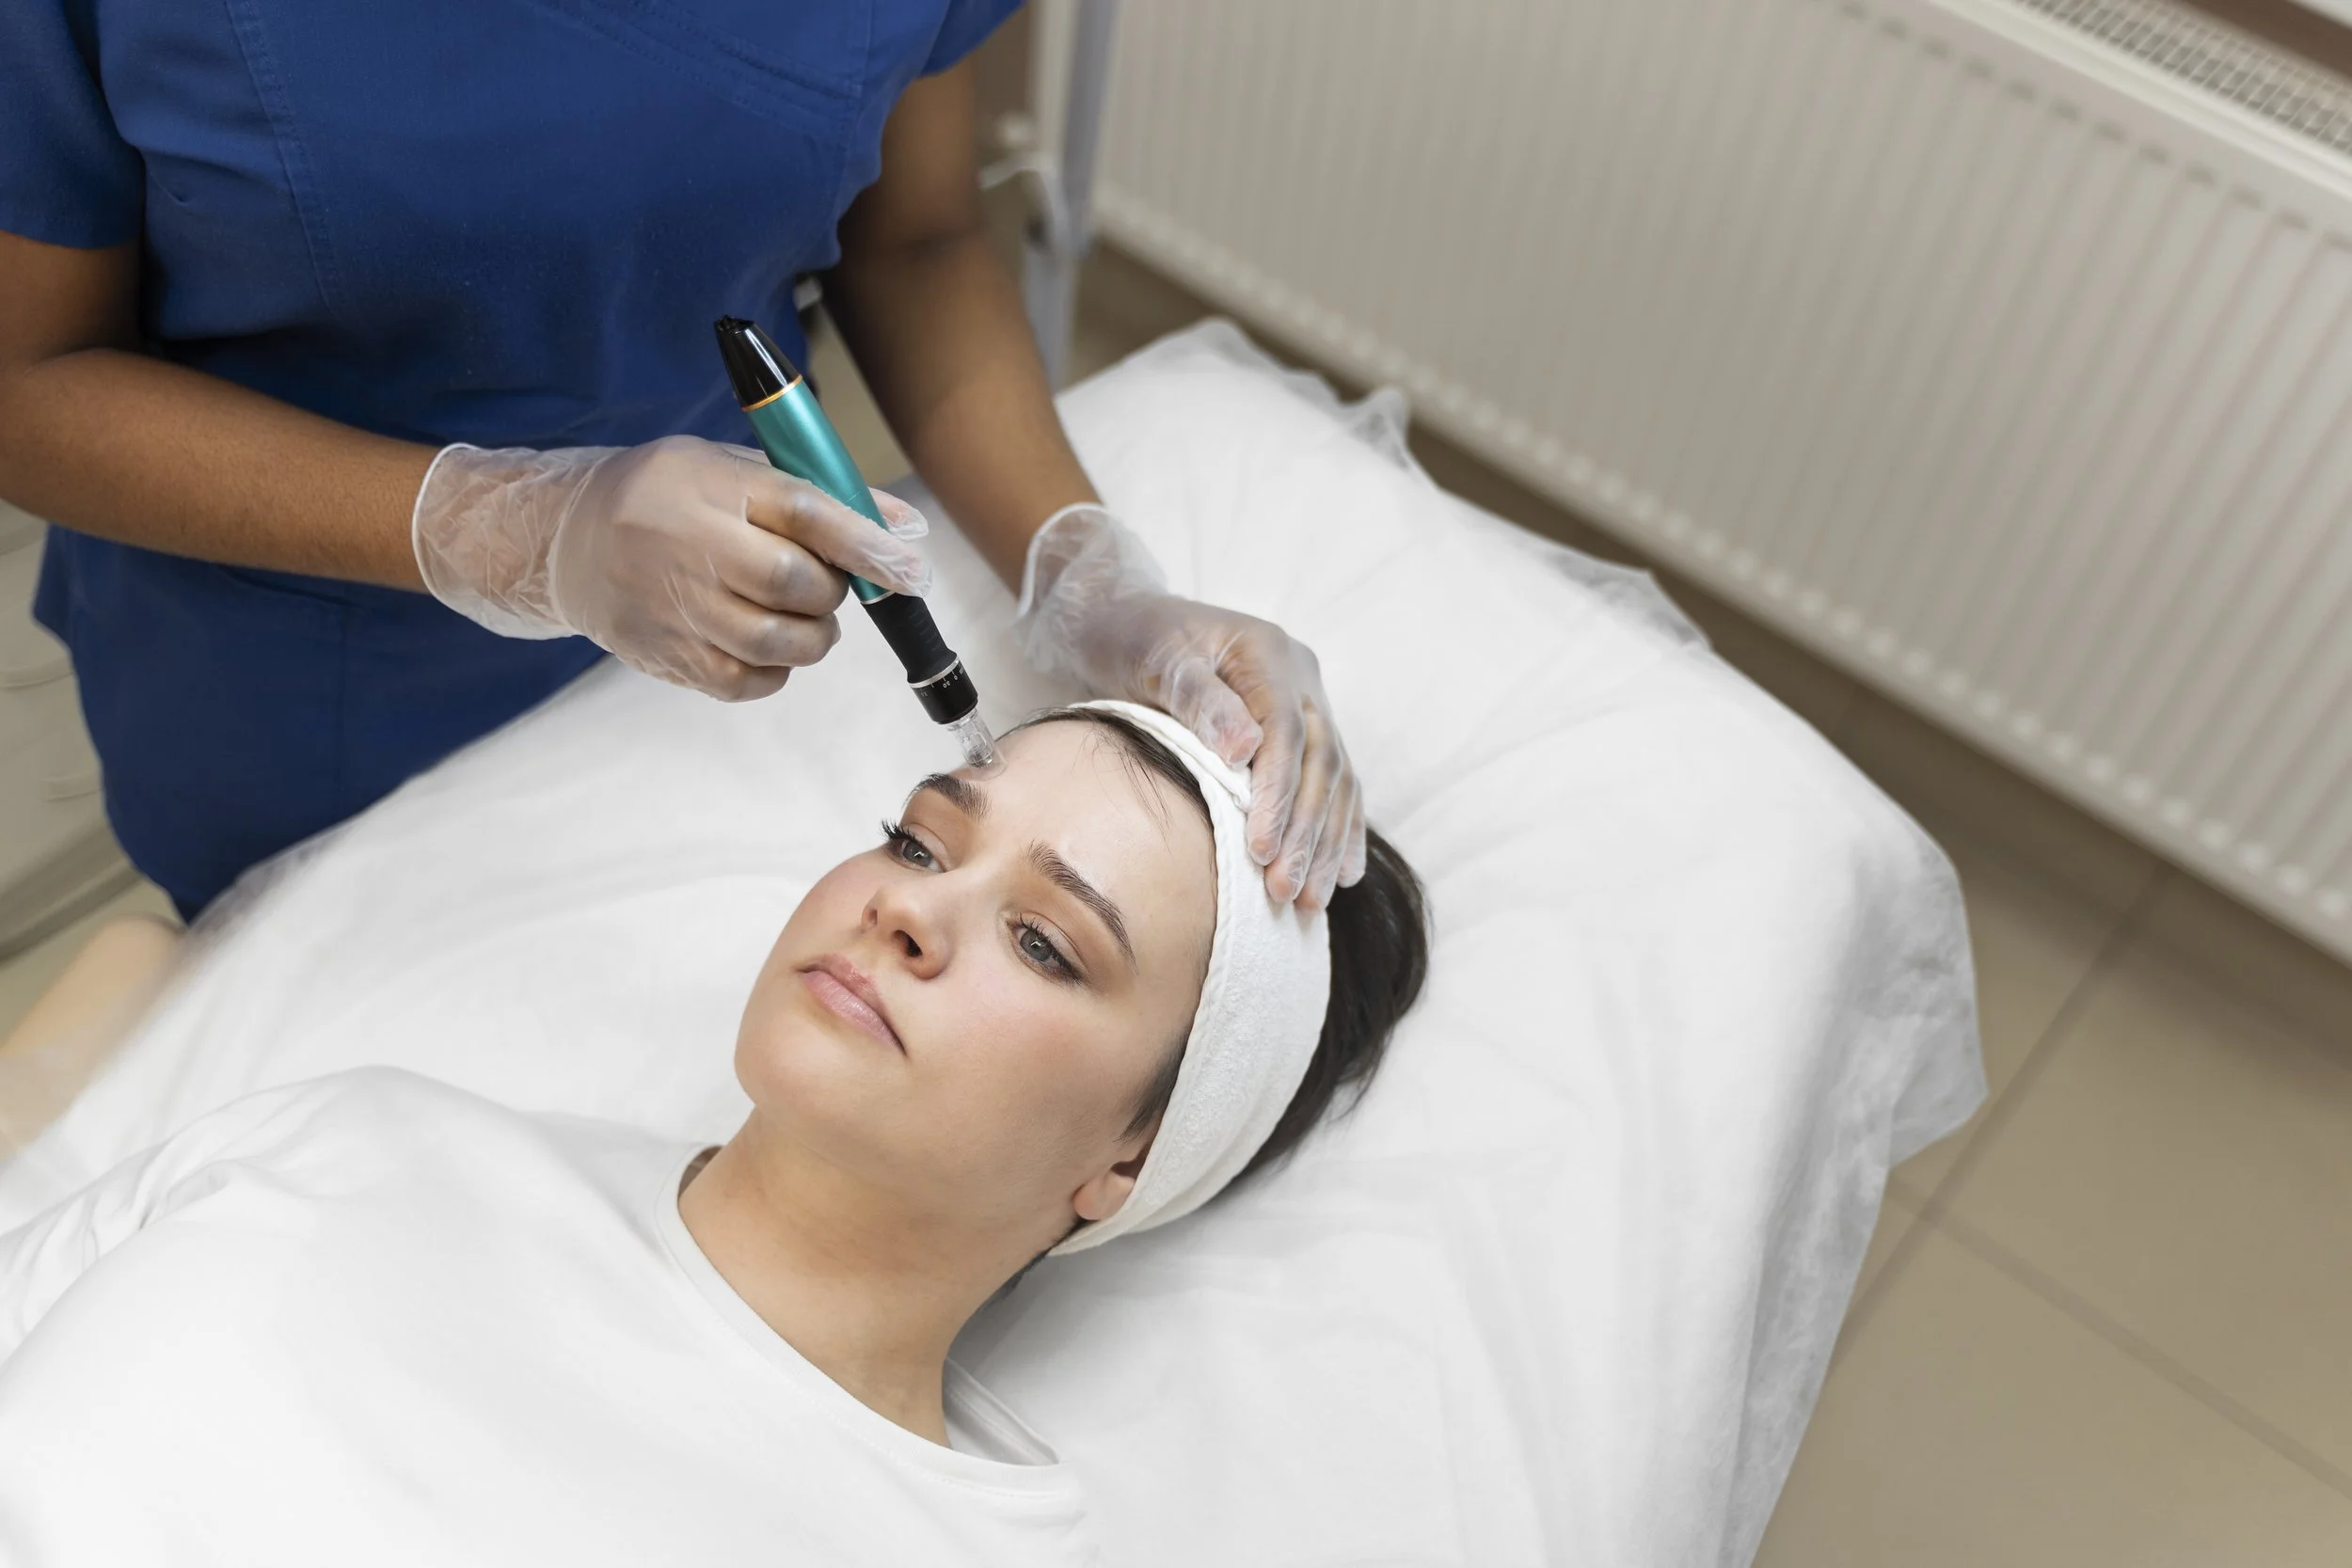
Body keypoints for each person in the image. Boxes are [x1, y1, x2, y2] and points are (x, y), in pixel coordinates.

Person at [0, 3, 1364, 920]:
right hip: (308, 696)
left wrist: (1084, 575)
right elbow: (29, 381)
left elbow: (917, 240)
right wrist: (506, 526)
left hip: (724, 671)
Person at [0, 703, 1426, 1563]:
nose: (908, 906)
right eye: (921, 840)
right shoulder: (365, 1132)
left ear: (1129, 1156)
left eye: (1046, 941)